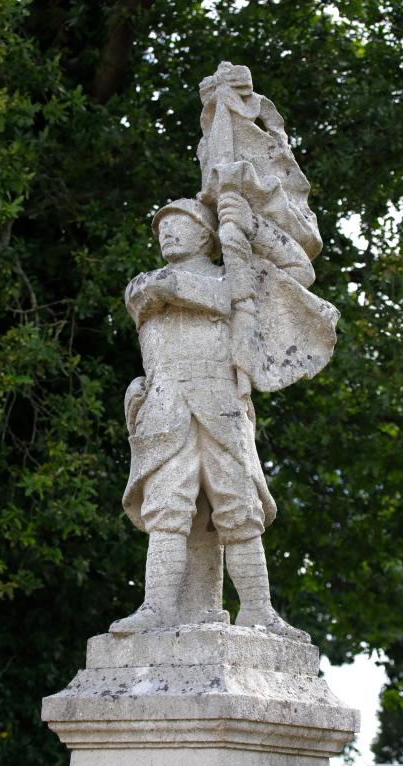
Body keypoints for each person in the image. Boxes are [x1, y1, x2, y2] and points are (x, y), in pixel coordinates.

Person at [110, 193, 316, 641]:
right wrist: (228, 290)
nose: (166, 232)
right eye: (161, 226)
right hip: (167, 410)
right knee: (167, 511)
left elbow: (299, 274)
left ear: (207, 235)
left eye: (178, 224)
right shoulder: (148, 283)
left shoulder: (238, 282)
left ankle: (259, 610)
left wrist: (252, 228)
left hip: (224, 408)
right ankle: (157, 608)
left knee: (240, 512)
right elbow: (153, 294)